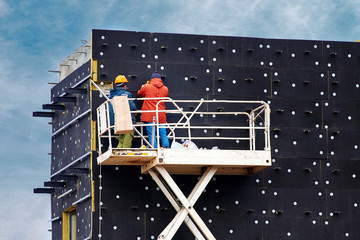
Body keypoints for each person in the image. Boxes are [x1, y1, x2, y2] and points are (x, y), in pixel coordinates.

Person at [137, 72, 170, 148]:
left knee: (152, 133)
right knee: (163, 134)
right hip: (161, 115)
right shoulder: (165, 89)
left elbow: (139, 93)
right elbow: (166, 96)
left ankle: (154, 148)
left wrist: (143, 87)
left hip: (150, 115)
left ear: (151, 79)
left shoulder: (146, 86)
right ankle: (166, 148)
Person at [109, 75, 137, 148]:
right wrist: (135, 111)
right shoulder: (127, 94)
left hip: (117, 120)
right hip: (128, 119)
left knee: (121, 138)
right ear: (124, 85)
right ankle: (124, 151)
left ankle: (119, 150)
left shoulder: (112, 95)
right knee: (129, 134)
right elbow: (131, 106)